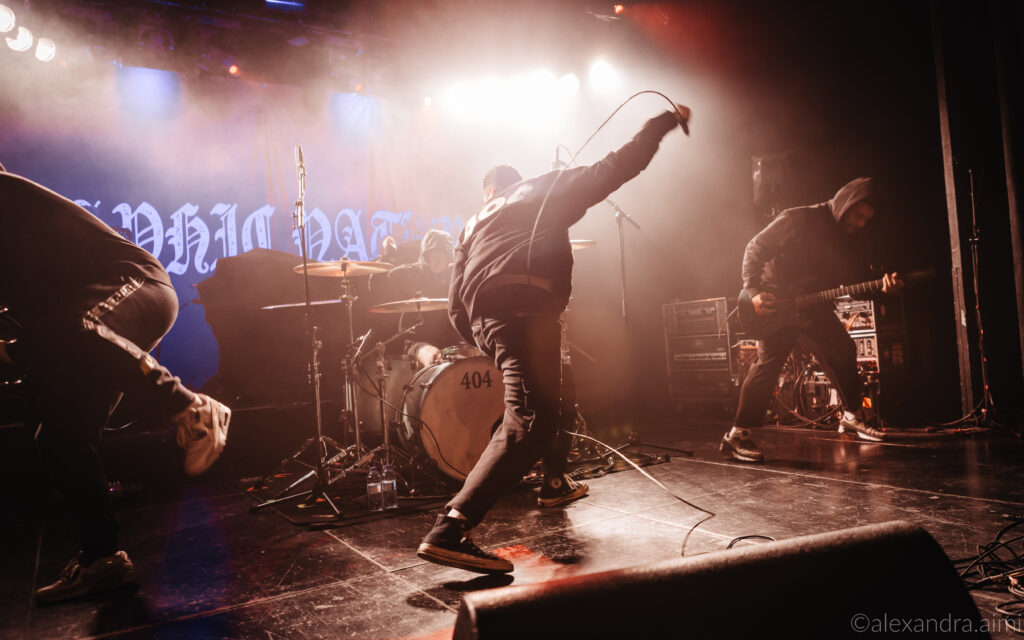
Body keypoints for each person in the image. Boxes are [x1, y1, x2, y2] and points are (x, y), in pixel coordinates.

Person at [416, 104, 691, 574]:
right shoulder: (541, 187)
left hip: (495, 319)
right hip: (524, 310)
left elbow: (454, 304)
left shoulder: (471, 222)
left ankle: (546, 487)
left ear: (489, 191)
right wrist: (662, 123)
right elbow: (617, 165)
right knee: (528, 422)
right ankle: (450, 529)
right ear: (518, 182)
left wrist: (487, 338)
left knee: (545, 412)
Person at [0, 164, 231, 604]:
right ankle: (102, 559)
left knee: (78, 325)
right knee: (61, 435)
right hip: (85, 325)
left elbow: (50, 332)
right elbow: (40, 335)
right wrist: (14, 351)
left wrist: (13, 351)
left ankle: (191, 407)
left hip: (136, 285)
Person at [723, 177, 902, 463]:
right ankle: (737, 435)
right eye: (857, 215)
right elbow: (755, 248)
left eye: (866, 219)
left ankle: (852, 416)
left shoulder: (846, 240)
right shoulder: (799, 219)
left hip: (810, 307)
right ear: (845, 202)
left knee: (843, 349)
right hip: (776, 305)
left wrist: (881, 286)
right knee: (767, 366)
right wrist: (754, 291)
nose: (860, 223)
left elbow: (853, 283)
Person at [368, 229, 463, 366]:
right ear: (425, 256)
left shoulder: (454, 273)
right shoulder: (408, 272)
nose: (438, 261)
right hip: (415, 342)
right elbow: (377, 286)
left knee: (472, 357)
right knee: (433, 355)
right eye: (434, 256)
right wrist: (388, 255)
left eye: (442, 257)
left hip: (450, 342)